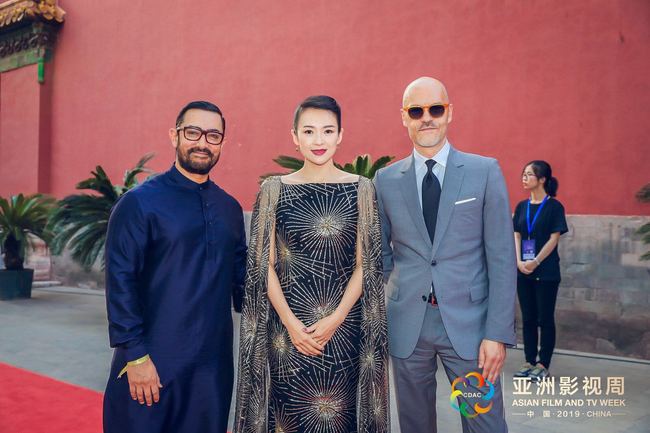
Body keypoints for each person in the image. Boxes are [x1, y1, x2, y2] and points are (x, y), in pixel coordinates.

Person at [233, 95, 390, 433]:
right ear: (294, 136)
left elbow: (366, 265)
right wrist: (291, 325)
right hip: (287, 335)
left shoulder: (362, 189)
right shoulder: (274, 190)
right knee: (288, 419)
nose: (318, 140)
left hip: (343, 333)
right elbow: (265, 265)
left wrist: (336, 319)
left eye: (327, 131)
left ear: (340, 135)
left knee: (340, 420)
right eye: (309, 131)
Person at [374, 77, 516, 433]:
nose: (427, 118)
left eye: (435, 109)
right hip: (409, 329)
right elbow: (380, 256)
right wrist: (393, 300)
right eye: (416, 111)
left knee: (484, 423)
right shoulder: (386, 180)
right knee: (416, 425)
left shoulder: (484, 172)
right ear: (404, 118)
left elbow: (500, 258)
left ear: (449, 113)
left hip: (470, 332)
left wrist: (497, 333)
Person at [103, 101, 247, 433]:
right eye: (193, 132)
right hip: (151, 363)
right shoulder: (138, 203)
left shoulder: (229, 209)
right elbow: (120, 281)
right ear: (174, 135)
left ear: (222, 143)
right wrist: (136, 356)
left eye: (213, 135)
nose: (203, 142)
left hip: (211, 371)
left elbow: (244, 284)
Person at [512, 161, 568, 381]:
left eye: (529, 175)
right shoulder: (521, 206)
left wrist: (535, 261)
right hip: (522, 270)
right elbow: (517, 234)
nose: (524, 178)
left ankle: (543, 364)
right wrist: (518, 261)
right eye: (523, 174)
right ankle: (528, 361)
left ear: (542, 179)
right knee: (528, 318)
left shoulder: (554, 207)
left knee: (545, 318)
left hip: (546, 272)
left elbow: (554, 238)